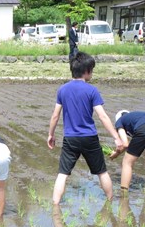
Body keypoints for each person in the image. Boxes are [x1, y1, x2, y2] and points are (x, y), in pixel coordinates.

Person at [47, 52, 123, 205]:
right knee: (101, 171)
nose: (92, 73)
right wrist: (116, 137)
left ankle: (55, 205)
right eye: (92, 70)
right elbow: (102, 116)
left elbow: (55, 115)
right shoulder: (92, 90)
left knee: (63, 173)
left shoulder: (62, 90)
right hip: (89, 138)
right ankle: (110, 200)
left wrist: (51, 134)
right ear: (87, 70)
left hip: (71, 138)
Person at [109, 110, 145, 191]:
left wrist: (116, 154)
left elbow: (125, 144)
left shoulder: (119, 121)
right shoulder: (135, 117)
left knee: (127, 162)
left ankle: (124, 191)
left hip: (144, 129)